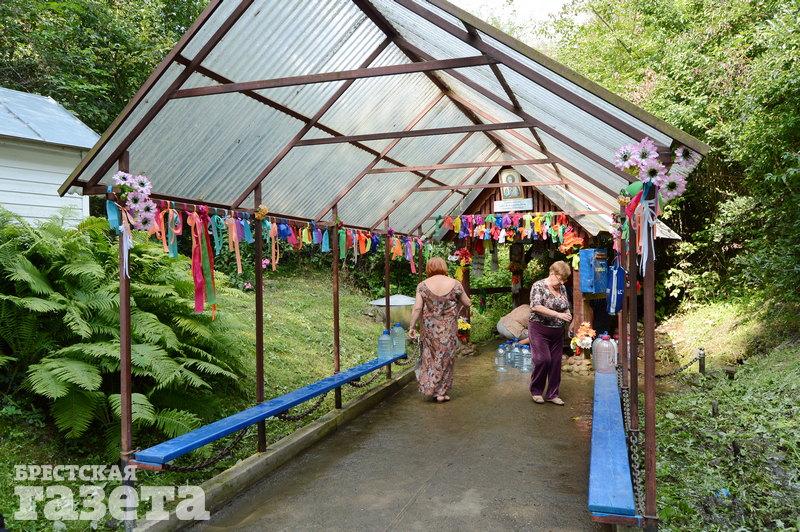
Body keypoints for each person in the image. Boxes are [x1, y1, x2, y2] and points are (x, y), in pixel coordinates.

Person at [408, 257, 472, 403]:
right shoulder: (455, 284)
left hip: (430, 330)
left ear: (429, 268)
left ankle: (434, 390)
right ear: (444, 267)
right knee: (446, 358)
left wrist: (411, 327)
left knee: (431, 358)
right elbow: (467, 303)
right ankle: (442, 392)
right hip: (448, 329)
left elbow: (417, 308)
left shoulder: (422, 286)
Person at [528, 261, 572, 405]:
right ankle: (536, 391)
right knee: (543, 360)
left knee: (555, 362)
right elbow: (535, 306)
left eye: (564, 280)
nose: (562, 282)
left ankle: (552, 394)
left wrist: (568, 314)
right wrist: (558, 315)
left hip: (557, 331)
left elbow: (565, 305)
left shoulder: (562, 288)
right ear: (552, 273)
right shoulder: (538, 286)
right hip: (539, 329)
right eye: (560, 279)